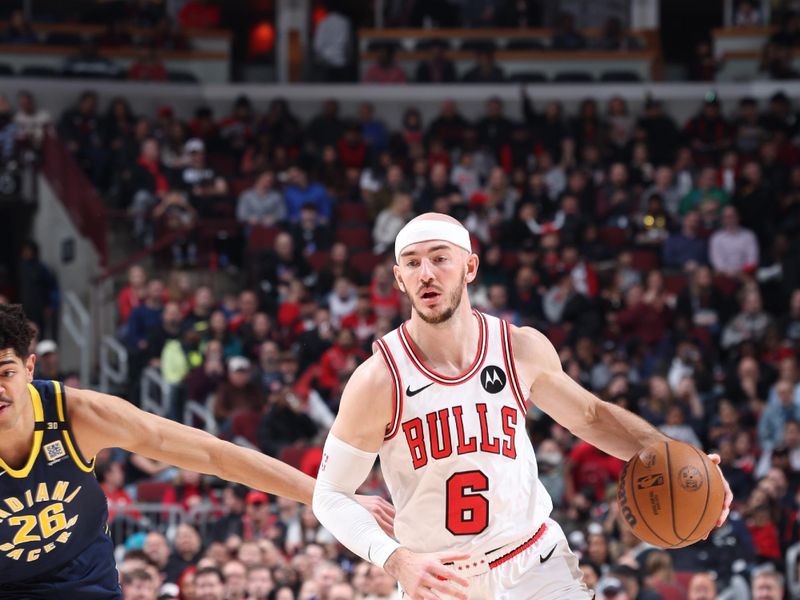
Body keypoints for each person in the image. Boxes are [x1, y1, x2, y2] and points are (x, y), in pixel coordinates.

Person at [312, 213, 732, 599]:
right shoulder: (378, 379)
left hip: (534, 563)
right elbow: (330, 494)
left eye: (440, 259)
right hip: (439, 579)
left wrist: (677, 458)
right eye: (412, 263)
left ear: (470, 267)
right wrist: (394, 558)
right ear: (399, 278)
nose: (426, 274)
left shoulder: (518, 347)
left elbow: (591, 415)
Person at [0, 304, 393, 598]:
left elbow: (213, 454)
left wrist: (325, 497)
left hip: (82, 580)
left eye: (7, 372)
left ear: (31, 367)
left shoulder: (78, 415)